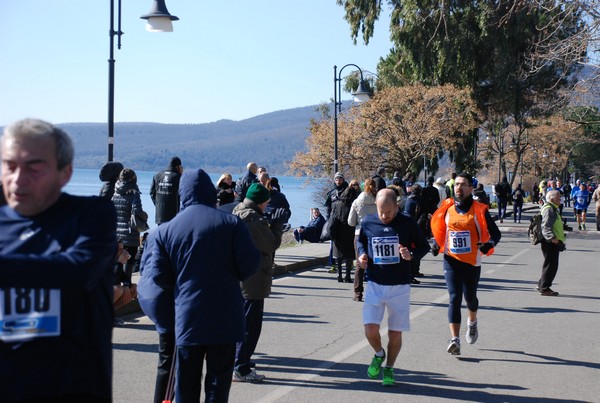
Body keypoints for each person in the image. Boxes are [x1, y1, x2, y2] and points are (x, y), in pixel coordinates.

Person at [0, 118, 116, 401]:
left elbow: (78, 270)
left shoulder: (91, 215)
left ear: (65, 173)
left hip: (71, 388)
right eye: (10, 166)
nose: (18, 178)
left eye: (34, 167)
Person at [139, 169, 260, 403]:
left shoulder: (165, 231)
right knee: (218, 384)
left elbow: (160, 278)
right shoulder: (231, 223)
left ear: (182, 194)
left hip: (187, 316)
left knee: (186, 383)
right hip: (226, 317)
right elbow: (249, 265)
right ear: (209, 191)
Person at [357, 189, 430, 386]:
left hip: (399, 286)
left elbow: (424, 246)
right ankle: (379, 354)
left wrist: (410, 255)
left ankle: (389, 367)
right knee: (370, 330)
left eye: (388, 212)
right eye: (381, 212)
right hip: (375, 284)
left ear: (396, 206)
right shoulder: (368, 222)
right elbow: (361, 242)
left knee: (395, 333)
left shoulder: (407, 222)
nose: (384, 216)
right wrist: (362, 255)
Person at [430, 172, 501, 356]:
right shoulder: (447, 208)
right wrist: (437, 243)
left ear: (471, 188)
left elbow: (496, 234)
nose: (458, 188)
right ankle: (455, 339)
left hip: (472, 261)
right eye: (456, 185)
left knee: (470, 298)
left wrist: (488, 245)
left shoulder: (479, 210)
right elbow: (442, 231)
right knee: (454, 297)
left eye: (463, 185)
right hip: (451, 259)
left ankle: (472, 322)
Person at [233, 183, 287, 382]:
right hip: (253, 280)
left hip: (239, 278)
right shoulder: (253, 220)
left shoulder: (238, 211)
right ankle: (241, 367)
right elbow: (271, 243)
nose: (266, 206)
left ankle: (241, 361)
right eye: (265, 203)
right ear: (259, 202)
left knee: (241, 323)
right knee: (251, 326)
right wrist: (278, 224)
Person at [112, 168, 148, 274]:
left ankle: (117, 284)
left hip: (117, 234)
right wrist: (145, 217)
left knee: (117, 261)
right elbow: (137, 211)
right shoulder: (134, 193)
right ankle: (127, 284)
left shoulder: (116, 192)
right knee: (129, 261)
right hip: (130, 233)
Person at [348, 178, 378, 301]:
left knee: (360, 264)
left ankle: (358, 293)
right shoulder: (378, 201)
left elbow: (350, 221)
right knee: (376, 263)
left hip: (359, 232)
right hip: (375, 232)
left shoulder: (357, 202)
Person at [326, 173, 359, 282]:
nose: (338, 181)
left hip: (348, 225)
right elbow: (328, 208)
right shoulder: (332, 193)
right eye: (336, 179)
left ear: (343, 179)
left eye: (340, 179)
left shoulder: (350, 192)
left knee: (349, 251)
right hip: (336, 225)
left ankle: (348, 275)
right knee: (338, 251)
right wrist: (329, 221)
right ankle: (340, 274)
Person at [536, 190, 566, 296]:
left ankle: (541, 284)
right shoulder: (549, 209)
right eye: (558, 198)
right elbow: (546, 226)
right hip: (550, 241)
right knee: (551, 265)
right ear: (552, 199)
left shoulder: (552, 208)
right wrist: (553, 238)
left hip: (551, 240)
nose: (560, 200)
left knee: (550, 264)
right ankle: (544, 288)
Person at [403, 183, 428, 283]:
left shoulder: (408, 199)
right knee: (417, 250)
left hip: (409, 226)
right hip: (417, 227)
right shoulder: (421, 200)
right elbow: (423, 215)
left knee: (411, 249)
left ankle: (413, 272)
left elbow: (406, 213)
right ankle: (413, 272)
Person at [150, 156, 182, 225]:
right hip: (173, 216)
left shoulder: (157, 176)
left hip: (159, 215)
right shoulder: (178, 177)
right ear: (178, 167)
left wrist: (158, 205)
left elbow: (152, 193)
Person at [113, 240, 137, 326]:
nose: (123, 252)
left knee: (134, 288)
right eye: (120, 249)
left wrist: (126, 286)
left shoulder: (116, 262)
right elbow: (114, 281)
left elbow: (125, 278)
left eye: (123, 249)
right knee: (118, 289)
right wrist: (119, 263)